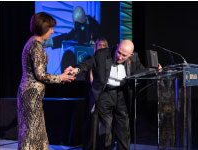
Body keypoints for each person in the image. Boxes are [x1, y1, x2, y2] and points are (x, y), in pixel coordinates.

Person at [69, 40, 148, 150]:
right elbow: (88, 64)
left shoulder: (134, 58)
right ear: (117, 47)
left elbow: (142, 71)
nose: (119, 57)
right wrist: (77, 69)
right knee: (105, 130)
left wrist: (155, 70)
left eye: (124, 55)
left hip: (122, 94)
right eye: (119, 52)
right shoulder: (102, 54)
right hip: (105, 93)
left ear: (130, 55)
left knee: (123, 128)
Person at [17, 12, 75, 150]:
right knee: (31, 134)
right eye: (50, 28)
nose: (52, 31)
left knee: (35, 132)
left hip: (30, 94)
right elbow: (40, 74)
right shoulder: (36, 46)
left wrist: (60, 76)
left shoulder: (32, 42)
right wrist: (60, 77)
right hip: (31, 95)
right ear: (43, 27)